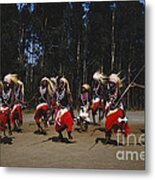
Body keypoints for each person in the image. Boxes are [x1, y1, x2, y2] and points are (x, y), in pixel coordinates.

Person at [104, 73, 130, 144]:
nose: (111, 85)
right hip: (110, 109)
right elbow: (106, 100)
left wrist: (123, 109)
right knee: (107, 123)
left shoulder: (118, 91)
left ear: (115, 84)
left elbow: (122, 100)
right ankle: (107, 137)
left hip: (117, 109)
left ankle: (122, 133)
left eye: (112, 83)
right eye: (110, 83)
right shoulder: (107, 92)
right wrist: (108, 103)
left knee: (120, 121)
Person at [53, 76, 74, 140]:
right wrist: (56, 103)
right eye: (60, 83)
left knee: (68, 120)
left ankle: (69, 132)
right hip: (59, 109)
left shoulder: (67, 92)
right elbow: (54, 100)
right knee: (57, 122)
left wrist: (71, 110)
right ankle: (60, 134)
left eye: (62, 83)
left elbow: (70, 102)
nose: (61, 85)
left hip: (66, 109)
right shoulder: (56, 92)